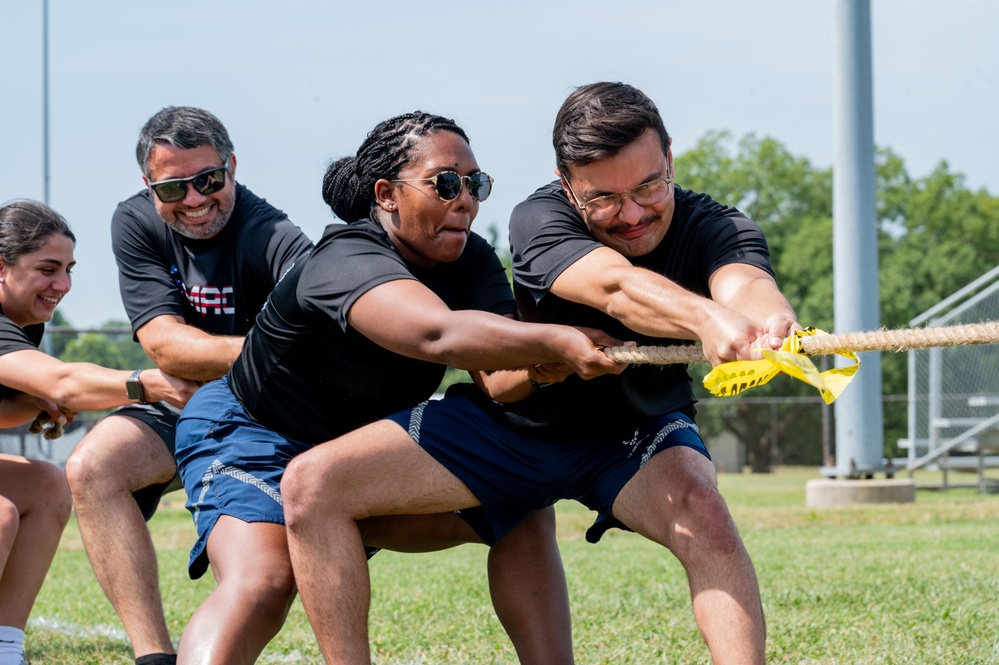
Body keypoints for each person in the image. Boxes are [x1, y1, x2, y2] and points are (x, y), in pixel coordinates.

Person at [282, 81, 801, 665]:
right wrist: (707, 318)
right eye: (604, 198)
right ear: (566, 183)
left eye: (649, 186)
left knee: (707, 514)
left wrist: (770, 324)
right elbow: (615, 286)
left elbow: (748, 284)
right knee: (311, 484)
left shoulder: (716, 226)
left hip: (631, 435)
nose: (631, 214)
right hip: (512, 429)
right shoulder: (539, 219)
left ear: (670, 158)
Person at [173, 111, 625, 665]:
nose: (466, 201)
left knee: (521, 499)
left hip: (344, 452)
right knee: (265, 581)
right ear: (386, 194)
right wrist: (552, 341)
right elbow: (434, 334)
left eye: (475, 185)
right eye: (446, 183)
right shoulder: (346, 257)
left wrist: (542, 365)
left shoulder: (471, 260)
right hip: (252, 433)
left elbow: (500, 383)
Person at [63, 107, 314, 665]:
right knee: (91, 467)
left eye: (208, 180)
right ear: (149, 187)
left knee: (260, 577)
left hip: (264, 412)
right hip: (183, 398)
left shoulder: (274, 235)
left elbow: (314, 345)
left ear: (231, 166)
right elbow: (165, 346)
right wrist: (261, 349)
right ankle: (152, 656)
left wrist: (227, 364)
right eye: (173, 187)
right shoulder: (134, 221)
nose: (195, 200)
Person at [0, 200, 196, 665]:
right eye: (48, 269)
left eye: (68, 270)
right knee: (2, 514)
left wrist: (34, 401)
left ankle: (5, 649)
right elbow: (64, 380)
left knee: (46, 484)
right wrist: (146, 384)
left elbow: (17, 405)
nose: (62, 286)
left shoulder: (24, 322)